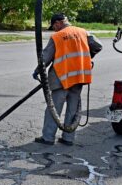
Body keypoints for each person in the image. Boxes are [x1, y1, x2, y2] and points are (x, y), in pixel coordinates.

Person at [33, 13, 103, 146]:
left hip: (61, 79)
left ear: (58, 23)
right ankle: (68, 138)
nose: (54, 29)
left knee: (54, 109)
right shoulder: (83, 32)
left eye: (53, 26)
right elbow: (98, 46)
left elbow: (46, 57)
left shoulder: (57, 37)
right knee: (73, 109)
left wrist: (37, 71)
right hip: (79, 77)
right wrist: (89, 57)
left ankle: (48, 137)